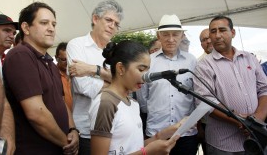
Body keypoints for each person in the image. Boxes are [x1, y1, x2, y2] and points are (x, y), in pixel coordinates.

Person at [3, 2, 79, 155]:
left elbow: (61, 101)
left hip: (58, 147)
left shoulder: (49, 62)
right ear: (26, 28)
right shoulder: (21, 55)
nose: (51, 28)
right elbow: (36, 114)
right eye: (44, 23)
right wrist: (66, 143)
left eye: (53, 24)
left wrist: (73, 130)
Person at [90, 40, 186, 155]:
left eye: (147, 70)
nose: (146, 77)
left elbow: (134, 147)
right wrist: (147, 152)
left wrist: (162, 134)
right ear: (120, 68)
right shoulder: (106, 103)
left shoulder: (133, 103)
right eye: (141, 69)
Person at [193, 15, 267, 154]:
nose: (217, 35)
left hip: (257, 139)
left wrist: (257, 120)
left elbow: (264, 89)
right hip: (223, 144)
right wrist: (241, 121)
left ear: (232, 33)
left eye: (222, 30)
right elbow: (206, 102)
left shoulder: (249, 58)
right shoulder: (204, 66)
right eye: (213, 31)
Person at [67, 0, 123, 154]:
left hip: (115, 128)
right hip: (86, 130)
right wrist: (115, 82)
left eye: (116, 24)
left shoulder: (118, 52)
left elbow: (127, 85)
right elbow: (83, 87)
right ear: (95, 19)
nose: (112, 26)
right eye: (109, 20)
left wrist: (94, 70)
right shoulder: (76, 45)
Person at [137, 14, 198, 155]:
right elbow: (142, 99)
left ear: (182, 35)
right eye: (165, 35)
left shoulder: (191, 61)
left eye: (175, 34)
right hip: (156, 133)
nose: (171, 39)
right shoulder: (148, 61)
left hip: (186, 134)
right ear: (158, 36)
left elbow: (196, 96)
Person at [0, 14, 18, 155]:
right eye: (6, 30)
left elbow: (3, 99)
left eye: (13, 32)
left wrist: (8, 136)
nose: (11, 35)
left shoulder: (1, 58)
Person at [55, 42, 73, 111]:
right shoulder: (52, 75)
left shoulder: (78, 73)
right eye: (63, 59)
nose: (67, 62)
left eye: (69, 59)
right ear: (56, 58)